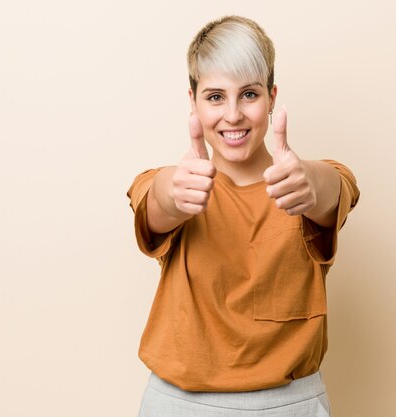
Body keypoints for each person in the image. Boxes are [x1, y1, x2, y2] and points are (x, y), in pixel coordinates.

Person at [127, 15, 359, 417]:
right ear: (193, 102)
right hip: (180, 405)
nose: (232, 115)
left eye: (248, 94)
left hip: (289, 404)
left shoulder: (305, 186)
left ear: (272, 97)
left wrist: (309, 182)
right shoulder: (177, 186)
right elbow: (156, 202)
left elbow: (334, 190)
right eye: (215, 97)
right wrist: (174, 194)